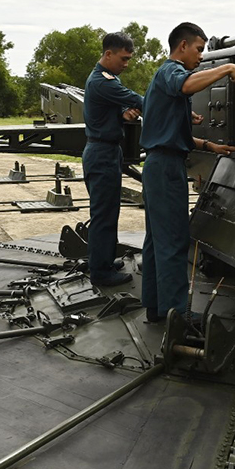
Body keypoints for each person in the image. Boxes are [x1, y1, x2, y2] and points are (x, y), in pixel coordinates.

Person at [140, 22, 235, 322]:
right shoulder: (172, 71)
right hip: (166, 168)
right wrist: (227, 68)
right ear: (182, 46)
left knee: (156, 241)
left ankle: (156, 306)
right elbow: (186, 84)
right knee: (174, 241)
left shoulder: (163, 78)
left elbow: (167, 129)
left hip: (158, 164)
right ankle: (177, 314)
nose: (200, 57)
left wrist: (209, 145)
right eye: (199, 50)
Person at [82, 32, 144, 287]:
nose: (126, 64)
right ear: (108, 54)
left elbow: (114, 110)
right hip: (102, 153)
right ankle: (100, 272)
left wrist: (122, 115)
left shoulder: (104, 80)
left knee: (108, 211)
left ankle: (104, 260)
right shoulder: (103, 81)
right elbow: (140, 100)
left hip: (106, 151)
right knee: (104, 214)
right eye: (124, 58)